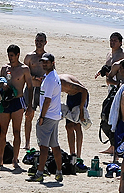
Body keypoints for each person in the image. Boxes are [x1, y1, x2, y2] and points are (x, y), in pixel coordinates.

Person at [26, 53, 64, 183]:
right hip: (54, 115)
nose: (44, 64)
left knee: (43, 147)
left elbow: (47, 100)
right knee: (55, 145)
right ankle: (59, 172)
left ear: (53, 63)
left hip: (48, 116)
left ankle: (40, 173)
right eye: (43, 62)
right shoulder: (52, 77)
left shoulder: (49, 79)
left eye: (46, 62)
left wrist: (41, 116)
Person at [0, 44, 33, 168]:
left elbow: (30, 86)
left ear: (18, 55)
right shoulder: (4, 68)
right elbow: (0, 82)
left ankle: (15, 159)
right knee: (2, 132)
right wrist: (3, 86)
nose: (10, 57)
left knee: (16, 131)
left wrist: (29, 106)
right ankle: (0, 159)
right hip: (5, 102)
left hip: (18, 101)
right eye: (8, 55)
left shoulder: (24, 69)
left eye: (12, 55)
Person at [23, 33, 47, 150]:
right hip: (31, 89)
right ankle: (27, 143)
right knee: (29, 115)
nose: (39, 43)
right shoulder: (29, 57)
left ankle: (42, 142)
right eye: (37, 40)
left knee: (45, 116)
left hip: (43, 90)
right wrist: (33, 77)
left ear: (45, 42)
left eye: (41, 41)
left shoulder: (48, 57)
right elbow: (23, 72)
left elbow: (52, 72)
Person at [59, 73, 90, 165]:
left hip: (80, 96)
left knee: (77, 125)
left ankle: (79, 155)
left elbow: (84, 90)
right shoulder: (52, 83)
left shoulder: (65, 83)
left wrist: (81, 110)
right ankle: (72, 154)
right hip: (71, 96)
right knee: (68, 126)